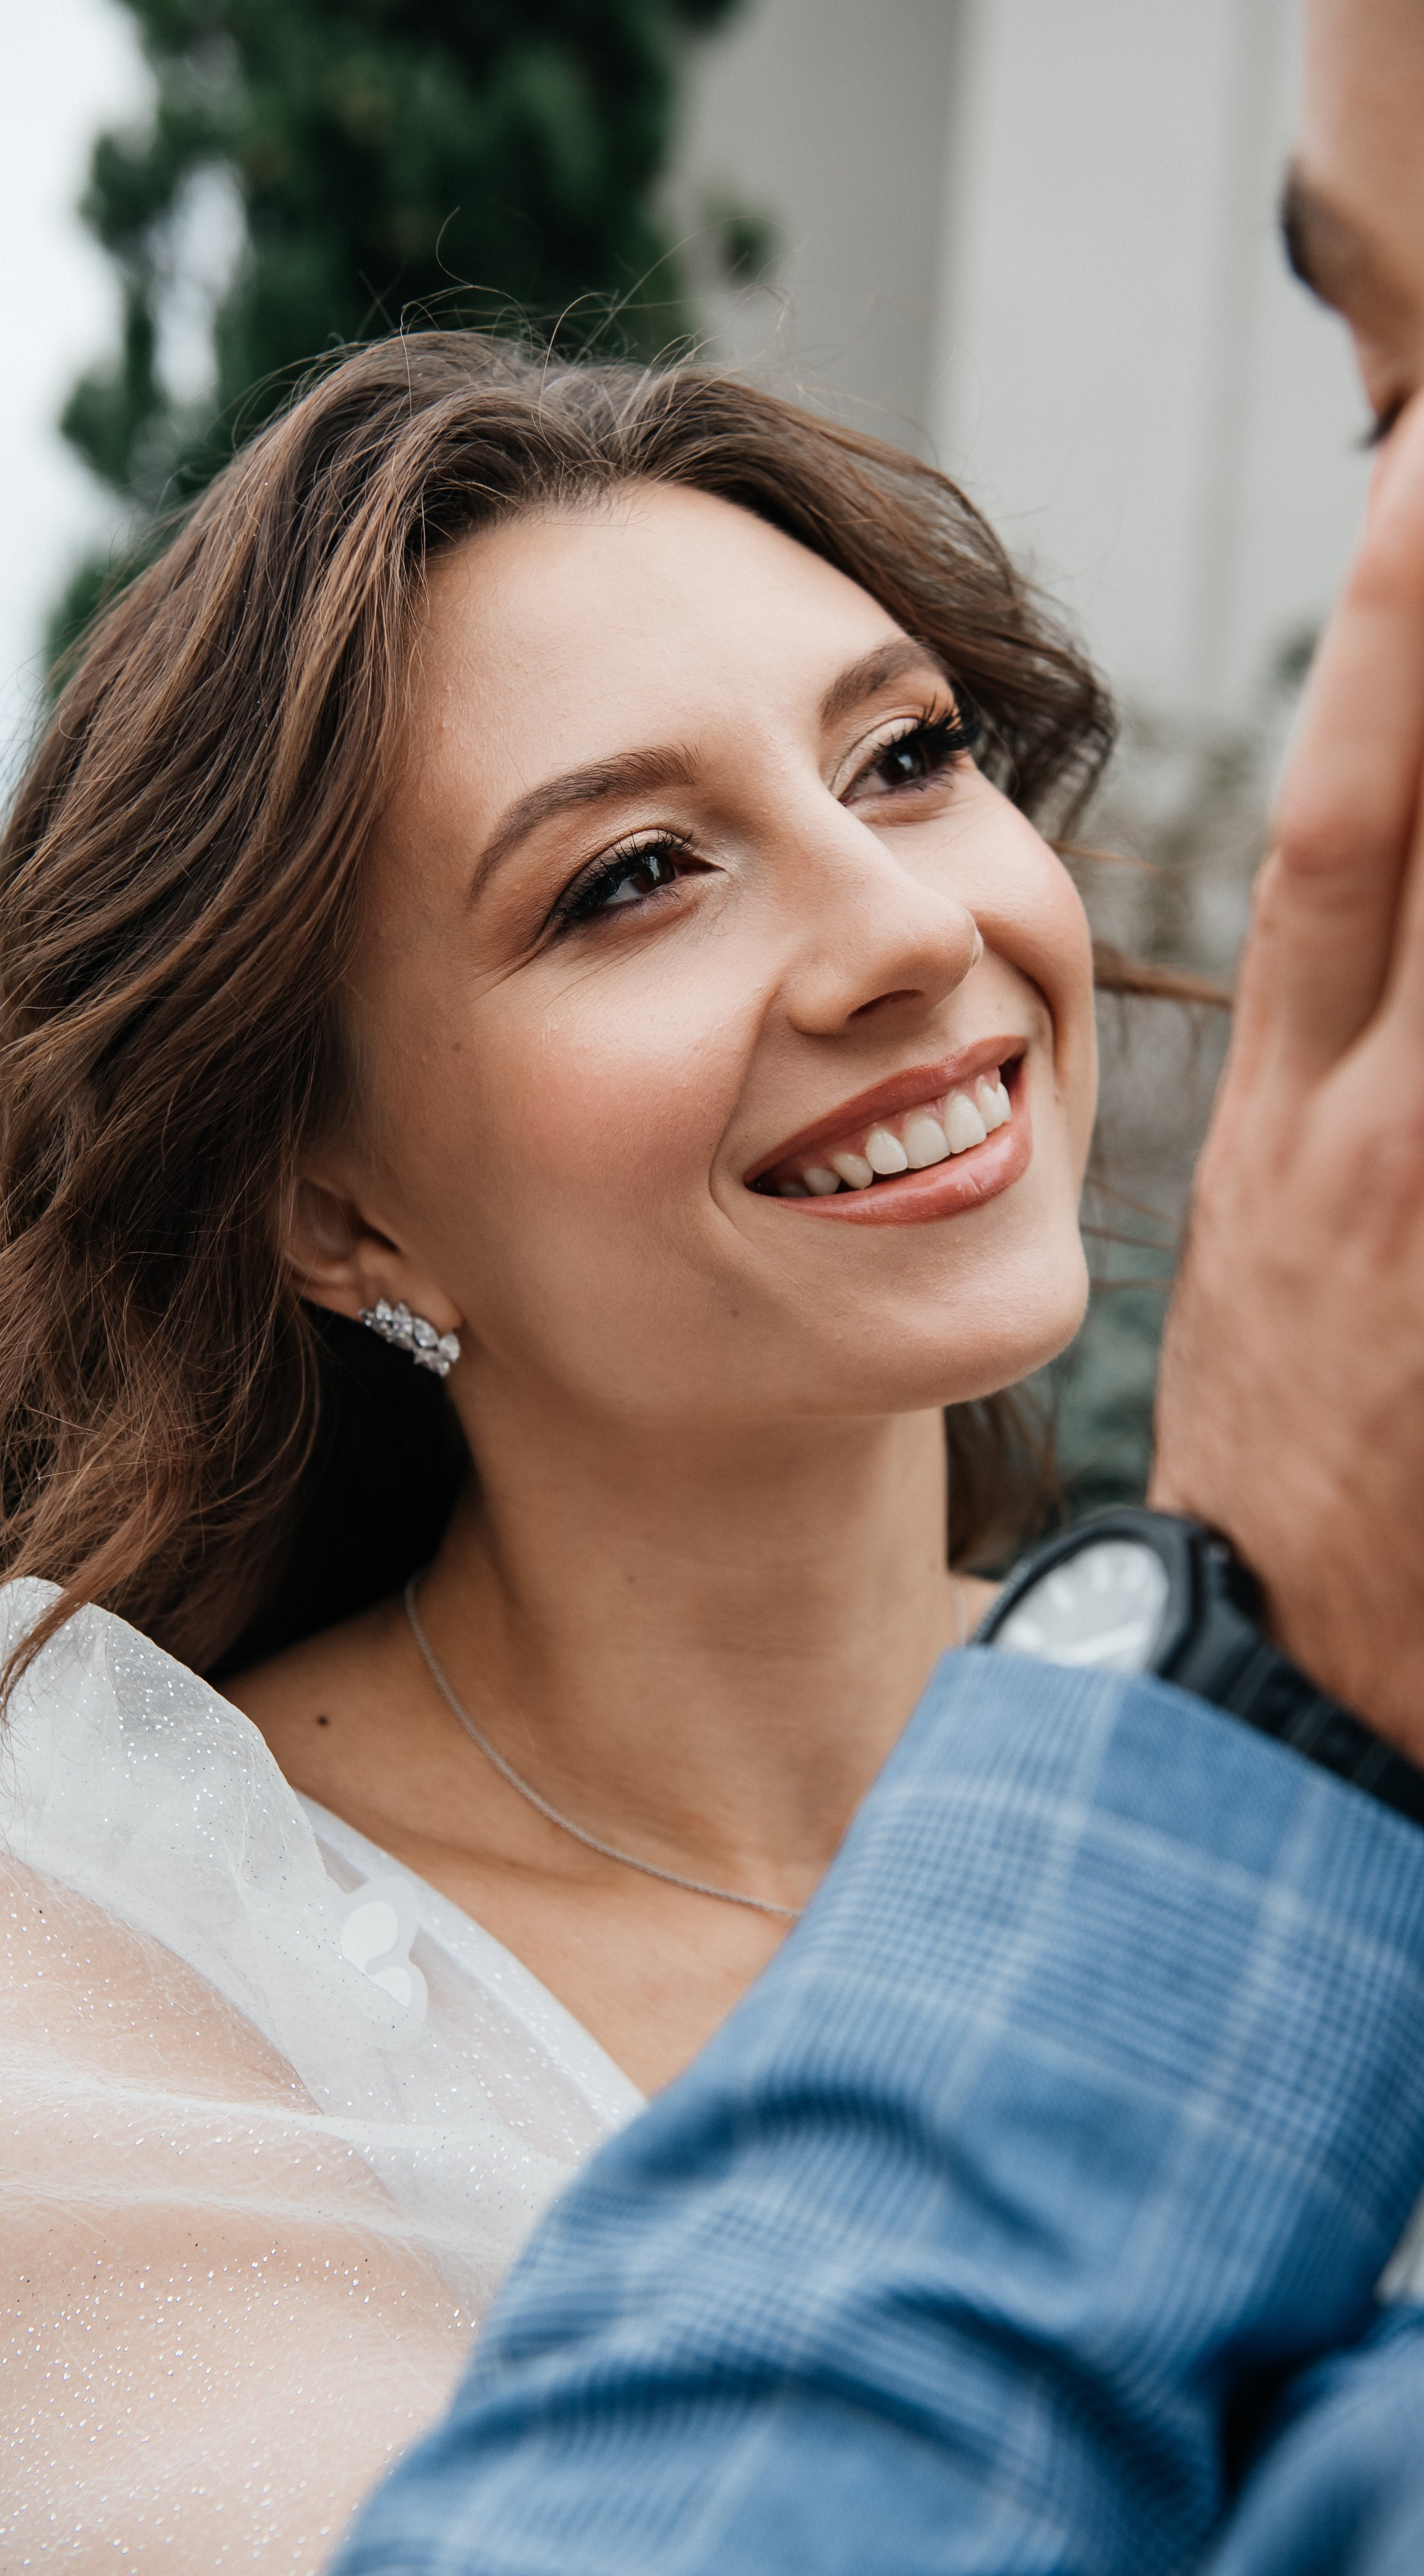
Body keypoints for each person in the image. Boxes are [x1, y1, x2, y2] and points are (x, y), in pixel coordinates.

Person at [321, 3, 1424, 2571]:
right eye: (627, 877)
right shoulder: (42, 1938)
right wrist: (1268, 1706)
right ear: (340, 1207)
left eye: (911, 755)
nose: (905, 933)